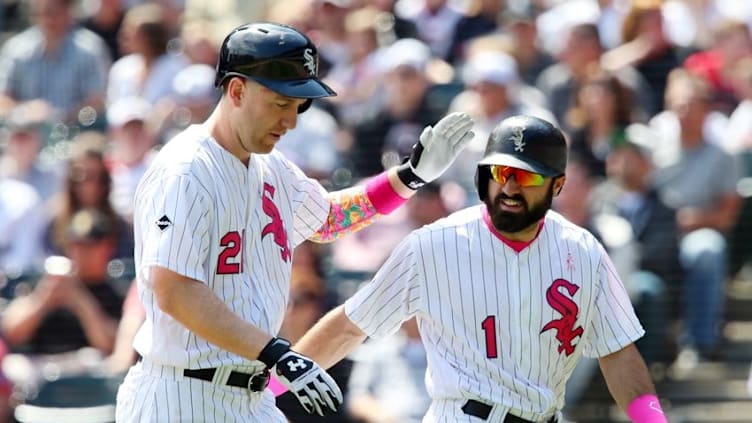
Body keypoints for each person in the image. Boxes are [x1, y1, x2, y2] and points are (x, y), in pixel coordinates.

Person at [114, 22, 474, 423]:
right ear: (237, 91)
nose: (292, 120)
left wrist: (408, 178)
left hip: (251, 398)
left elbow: (329, 219)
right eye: (280, 102)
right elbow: (174, 290)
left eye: (299, 105)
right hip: (182, 396)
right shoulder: (186, 171)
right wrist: (276, 352)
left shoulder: (271, 168)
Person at [293, 115, 668, 423]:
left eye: (527, 177)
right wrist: (271, 390)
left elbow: (618, 353)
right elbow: (349, 325)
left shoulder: (583, 251)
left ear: (558, 186)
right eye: (500, 172)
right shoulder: (433, 245)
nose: (509, 187)